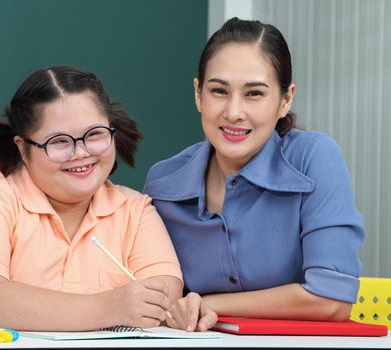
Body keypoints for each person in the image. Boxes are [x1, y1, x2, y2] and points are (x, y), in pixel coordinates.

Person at [0, 66, 183, 331]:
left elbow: (163, 297)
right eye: (59, 142)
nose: (80, 153)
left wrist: (178, 310)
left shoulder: (135, 212)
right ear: (23, 149)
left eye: (94, 135)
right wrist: (111, 306)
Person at [144, 18, 364, 332]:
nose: (233, 112)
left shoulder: (314, 158)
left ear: (285, 99)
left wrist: (210, 303)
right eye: (219, 91)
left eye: (254, 94)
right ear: (198, 94)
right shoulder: (163, 183)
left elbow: (332, 300)